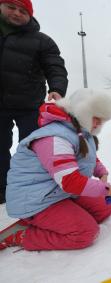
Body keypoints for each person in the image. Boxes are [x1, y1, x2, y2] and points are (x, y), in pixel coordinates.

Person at [0, 89, 111, 251]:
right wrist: (109, 189)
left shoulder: (78, 130)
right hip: (36, 199)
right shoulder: (55, 138)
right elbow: (70, 181)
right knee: (85, 233)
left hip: (56, 190)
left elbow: (86, 156)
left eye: (101, 121)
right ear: (83, 112)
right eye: (96, 119)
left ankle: (61, 217)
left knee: (103, 209)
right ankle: (22, 235)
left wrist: (101, 172)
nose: (98, 124)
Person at [0, 0, 68, 204]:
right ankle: (3, 188)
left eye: (23, 11)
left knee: (33, 146)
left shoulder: (41, 41)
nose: (16, 13)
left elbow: (55, 66)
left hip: (29, 105)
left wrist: (56, 88)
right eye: (11, 7)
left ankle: (35, 184)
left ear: (30, 15)